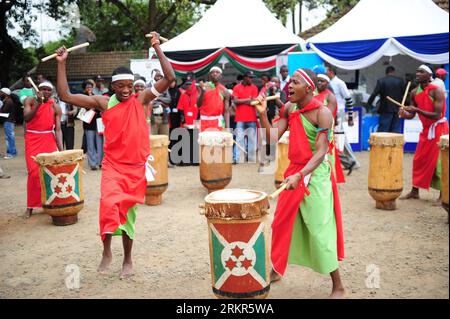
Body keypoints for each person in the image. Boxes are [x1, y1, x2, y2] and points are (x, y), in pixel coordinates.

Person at [55, 33, 175, 278]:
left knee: (128, 215)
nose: (126, 90)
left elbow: (171, 78)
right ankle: (107, 251)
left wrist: (156, 47)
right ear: (113, 87)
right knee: (108, 206)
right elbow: (66, 96)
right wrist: (61, 63)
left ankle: (128, 260)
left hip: (135, 168)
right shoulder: (102, 102)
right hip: (112, 166)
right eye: (121, 86)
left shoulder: (141, 100)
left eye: (130, 86)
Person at [255, 68, 345, 298]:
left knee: (318, 228)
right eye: (289, 82)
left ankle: (338, 286)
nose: (289, 86)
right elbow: (272, 138)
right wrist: (263, 114)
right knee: (280, 223)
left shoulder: (323, 113)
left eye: (294, 82)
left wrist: (301, 174)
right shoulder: (289, 107)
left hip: (316, 173)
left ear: (309, 88)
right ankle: (276, 270)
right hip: (295, 171)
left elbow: (322, 150)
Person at [400, 65, 448, 201]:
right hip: (426, 130)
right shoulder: (414, 92)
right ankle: (415, 191)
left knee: (438, 162)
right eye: (417, 71)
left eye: (421, 72)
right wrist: (405, 114)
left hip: (439, 129)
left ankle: (443, 194)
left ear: (429, 75)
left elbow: (437, 115)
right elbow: (412, 113)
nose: (418, 73)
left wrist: (416, 110)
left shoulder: (437, 91)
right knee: (418, 159)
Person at [23, 81, 63, 218]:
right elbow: (27, 118)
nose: (45, 92)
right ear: (37, 90)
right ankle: (31, 205)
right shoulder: (30, 101)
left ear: (51, 92)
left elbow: (58, 130)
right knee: (33, 172)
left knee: (51, 171)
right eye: (43, 89)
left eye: (48, 90)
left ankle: (51, 202)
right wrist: (38, 104)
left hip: (48, 140)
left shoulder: (55, 107)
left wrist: (62, 150)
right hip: (32, 139)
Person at [326, 65, 359, 174]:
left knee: (340, 138)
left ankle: (352, 162)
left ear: (331, 71)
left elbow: (349, 99)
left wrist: (350, 117)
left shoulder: (339, 83)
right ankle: (351, 161)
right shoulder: (328, 83)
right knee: (340, 138)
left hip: (338, 113)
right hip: (331, 112)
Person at [315, 74, 345, 184]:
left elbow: (329, 115)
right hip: (313, 128)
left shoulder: (330, 96)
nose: (319, 83)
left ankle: (330, 180)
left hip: (325, 129)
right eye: (318, 81)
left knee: (327, 154)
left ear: (327, 83)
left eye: (322, 81)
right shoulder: (313, 94)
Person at [367, 66, 406, 133]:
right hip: (398, 109)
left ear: (386, 73)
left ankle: (382, 143)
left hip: (385, 109)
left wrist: (368, 104)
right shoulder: (400, 81)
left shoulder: (381, 81)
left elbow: (374, 94)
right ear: (394, 72)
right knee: (395, 131)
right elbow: (405, 94)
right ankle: (394, 143)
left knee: (383, 131)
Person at [232, 70, 259, 163]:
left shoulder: (254, 88)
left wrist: (242, 100)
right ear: (244, 77)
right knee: (239, 138)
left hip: (251, 117)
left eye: (252, 78)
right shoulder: (236, 87)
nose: (251, 79)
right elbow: (235, 101)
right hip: (240, 118)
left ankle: (251, 158)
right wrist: (248, 99)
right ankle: (236, 158)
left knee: (251, 139)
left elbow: (253, 102)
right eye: (250, 77)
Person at [198, 66, 230, 131]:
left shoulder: (225, 91)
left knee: (218, 141)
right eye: (213, 72)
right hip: (204, 121)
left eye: (217, 72)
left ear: (221, 75)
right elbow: (198, 105)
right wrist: (202, 92)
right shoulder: (203, 86)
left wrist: (228, 128)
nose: (215, 74)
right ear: (209, 75)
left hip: (218, 121)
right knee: (204, 141)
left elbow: (226, 112)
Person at [82, 80, 103, 170]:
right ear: (85, 89)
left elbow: (100, 108)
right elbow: (85, 108)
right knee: (90, 144)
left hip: (98, 122)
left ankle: (100, 162)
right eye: (87, 87)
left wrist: (93, 106)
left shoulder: (96, 96)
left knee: (100, 143)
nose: (89, 89)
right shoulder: (82, 97)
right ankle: (92, 163)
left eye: (90, 87)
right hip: (88, 123)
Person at [0, 88, 17, 158]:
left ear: (5, 93)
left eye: (1, 92)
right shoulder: (7, 100)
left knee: (9, 137)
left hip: (8, 121)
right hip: (9, 121)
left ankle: (11, 153)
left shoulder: (8, 101)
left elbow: (3, 111)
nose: (0, 94)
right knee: (9, 137)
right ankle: (12, 152)